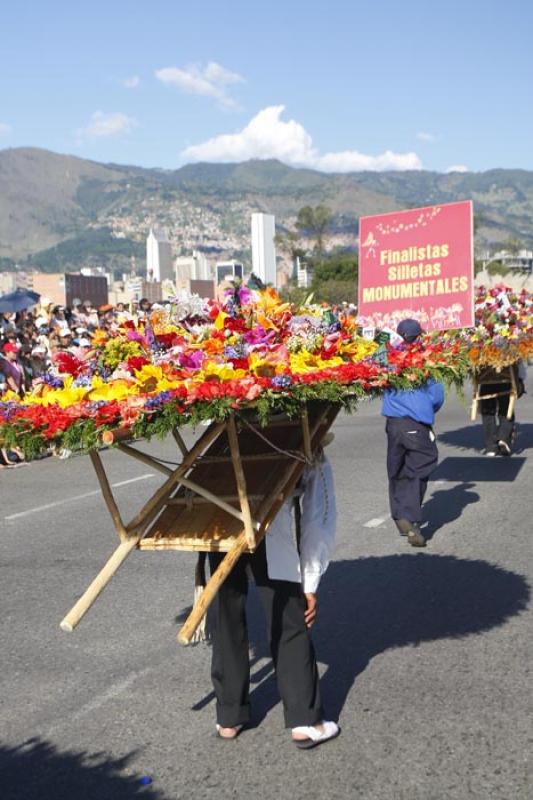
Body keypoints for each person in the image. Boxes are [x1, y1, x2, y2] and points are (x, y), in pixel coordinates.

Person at [208, 444, 340, 749]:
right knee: (288, 619)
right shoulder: (306, 438)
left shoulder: (220, 438)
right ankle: (306, 720)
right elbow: (318, 516)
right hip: (270, 529)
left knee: (225, 618)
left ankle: (229, 716)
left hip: (219, 519)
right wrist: (309, 582)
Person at [382, 319, 444, 548]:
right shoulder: (425, 359)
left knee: (396, 469)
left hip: (393, 423)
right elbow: (437, 396)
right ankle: (409, 518)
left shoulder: (386, 357)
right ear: (418, 336)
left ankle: (399, 515)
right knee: (421, 465)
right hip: (415, 424)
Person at [480, 362, 526, 456]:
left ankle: (491, 447)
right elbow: (522, 374)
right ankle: (504, 438)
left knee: (488, 411)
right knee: (506, 407)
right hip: (507, 382)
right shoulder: (511, 350)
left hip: (486, 380)